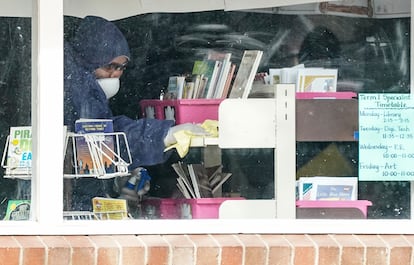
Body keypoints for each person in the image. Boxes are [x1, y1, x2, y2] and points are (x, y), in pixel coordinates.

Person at [64, 16, 204, 211]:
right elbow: (102, 136)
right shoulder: (78, 89)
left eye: (121, 67)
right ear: (88, 60)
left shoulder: (88, 91)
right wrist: (162, 135)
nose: (115, 74)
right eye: (108, 66)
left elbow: (104, 139)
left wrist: (120, 179)